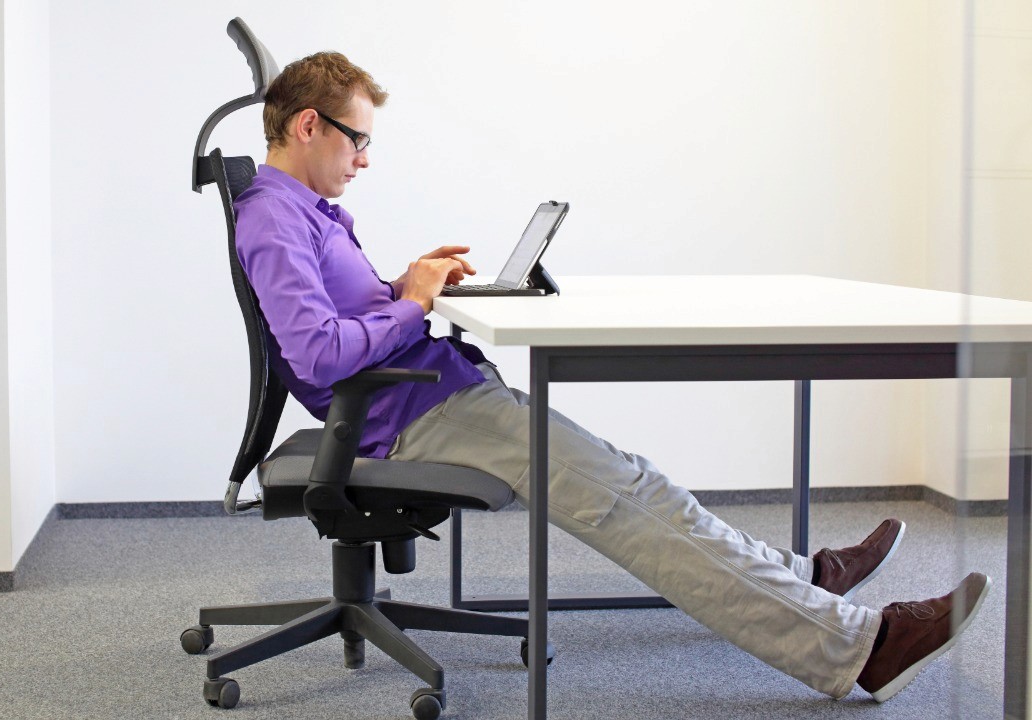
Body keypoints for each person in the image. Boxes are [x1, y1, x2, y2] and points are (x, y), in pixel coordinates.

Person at [231, 50, 991, 703]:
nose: (363, 158)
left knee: (637, 481)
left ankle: (806, 577)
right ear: (308, 126)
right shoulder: (274, 216)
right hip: (409, 417)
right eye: (357, 140)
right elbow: (319, 355)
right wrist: (415, 305)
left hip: (433, 391)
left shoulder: (311, 210)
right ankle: (861, 648)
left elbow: (335, 319)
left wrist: (405, 286)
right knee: (624, 504)